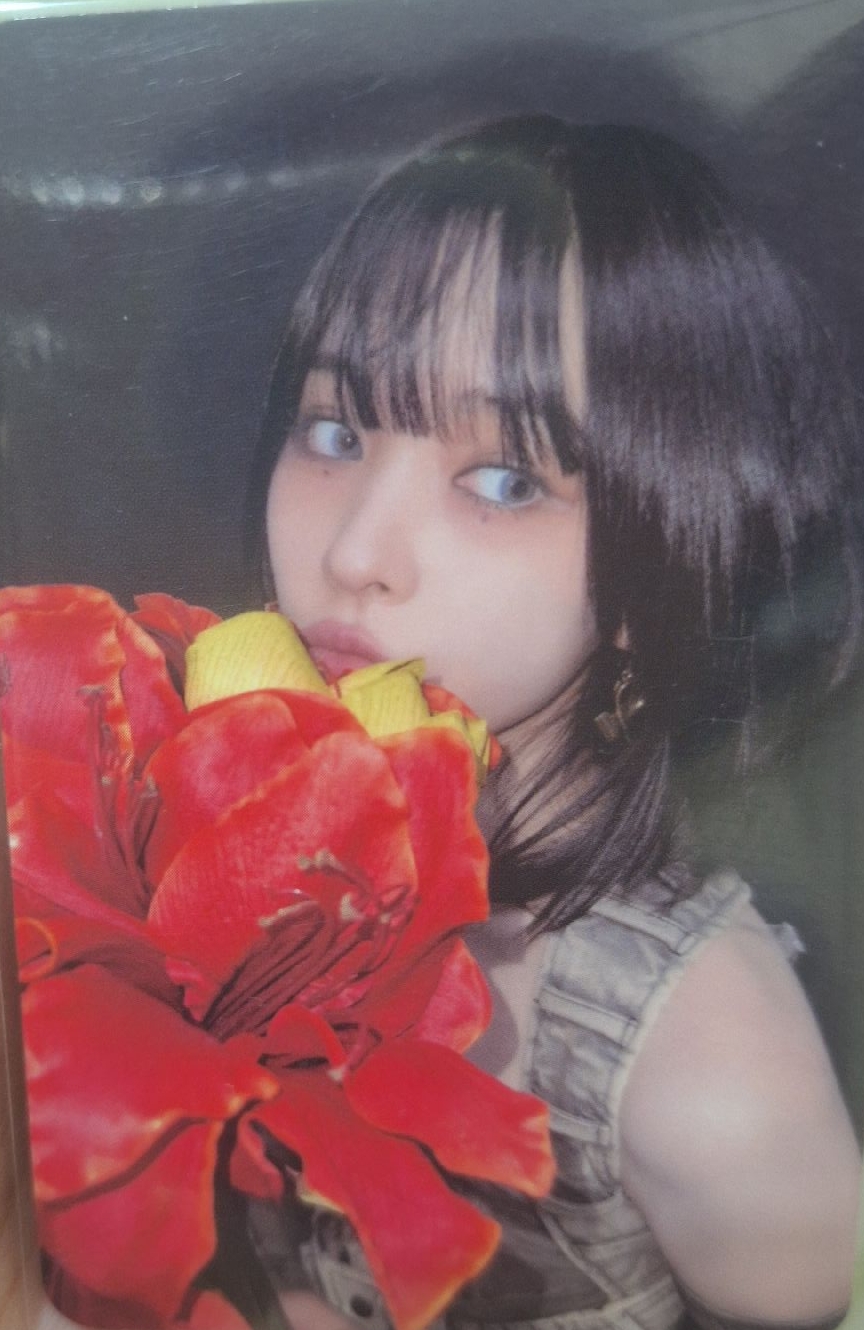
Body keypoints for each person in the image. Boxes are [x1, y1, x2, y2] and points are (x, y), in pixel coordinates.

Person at [245, 116, 863, 1330]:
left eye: (506, 480)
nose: (355, 553)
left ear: (660, 561)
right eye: (335, 431)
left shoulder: (700, 1063)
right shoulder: (239, 838)